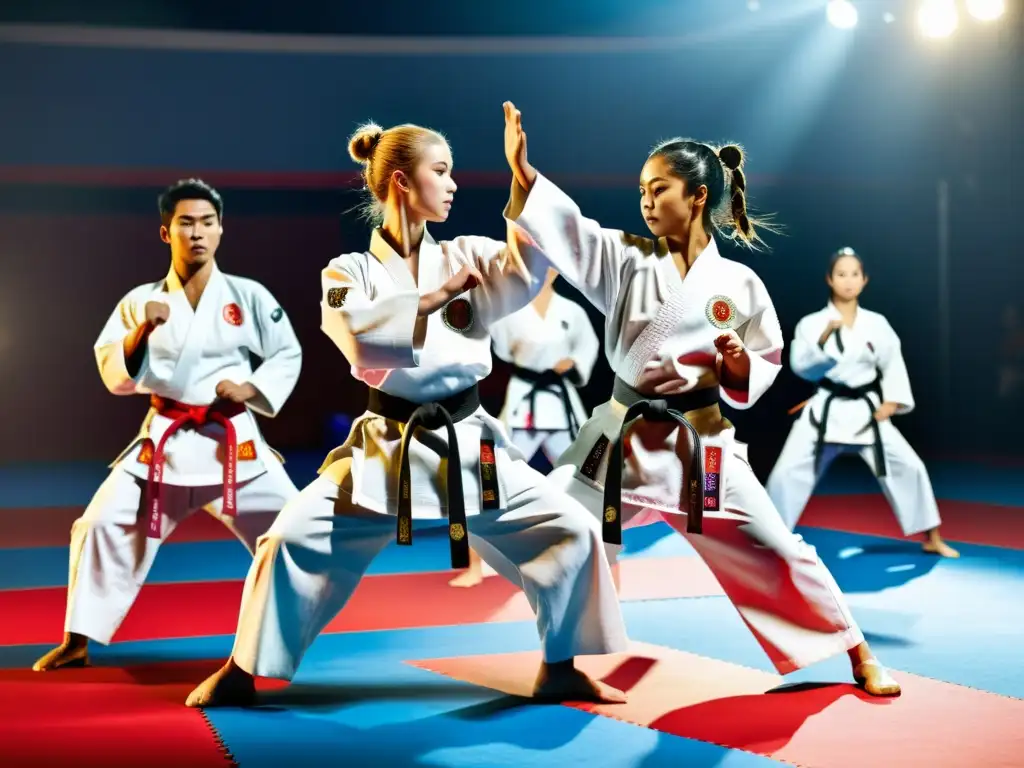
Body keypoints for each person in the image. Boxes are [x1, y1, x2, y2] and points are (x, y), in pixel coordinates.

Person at [185, 121, 628, 708]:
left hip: (473, 447)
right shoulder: (347, 272)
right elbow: (354, 334)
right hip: (385, 449)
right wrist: (432, 299)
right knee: (288, 539)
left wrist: (524, 182)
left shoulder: (467, 253)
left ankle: (560, 666)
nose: (452, 185)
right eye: (440, 171)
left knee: (570, 530)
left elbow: (526, 271)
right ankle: (242, 670)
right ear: (401, 180)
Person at [500, 101, 901, 696]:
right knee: (556, 527)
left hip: (700, 446)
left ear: (696, 197)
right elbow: (572, 231)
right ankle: (557, 667)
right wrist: (524, 175)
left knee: (775, 546)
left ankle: (856, 651)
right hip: (619, 440)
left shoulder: (738, 284)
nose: (644, 199)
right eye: (640, 189)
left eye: (658, 188)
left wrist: (739, 366)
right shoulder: (625, 256)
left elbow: (764, 359)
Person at [33, 179, 303, 672]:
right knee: (96, 525)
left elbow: (287, 352)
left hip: (233, 447)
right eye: (185, 223)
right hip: (165, 444)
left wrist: (249, 390)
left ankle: (284, 640)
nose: (197, 232)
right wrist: (144, 329)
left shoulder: (248, 295)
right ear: (165, 232)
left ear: (221, 230)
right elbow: (113, 369)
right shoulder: (140, 300)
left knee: (296, 529)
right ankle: (77, 640)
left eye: (206, 222)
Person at [766, 248, 958, 557]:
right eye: (841, 274)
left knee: (910, 467)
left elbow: (892, 362)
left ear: (864, 280)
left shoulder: (877, 323)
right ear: (830, 279)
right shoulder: (812, 323)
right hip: (824, 410)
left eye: (855, 274)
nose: (848, 280)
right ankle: (768, 540)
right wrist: (825, 339)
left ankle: (932, 536)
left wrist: (892, 402)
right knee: (785, 473)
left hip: (868, 412)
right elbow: (801, 366)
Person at [450, 267, 599, 588]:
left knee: (586, 481)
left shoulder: (571, 311)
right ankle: (478, 564)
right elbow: (484, 334)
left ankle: (589, 555)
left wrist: (574, 364)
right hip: (523, 404)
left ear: (559, 269)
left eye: (549, 262)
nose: (542, 269)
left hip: (561, 404)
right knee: (487, 479)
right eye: (536, 261)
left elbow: (587, 348)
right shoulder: (510, 309)